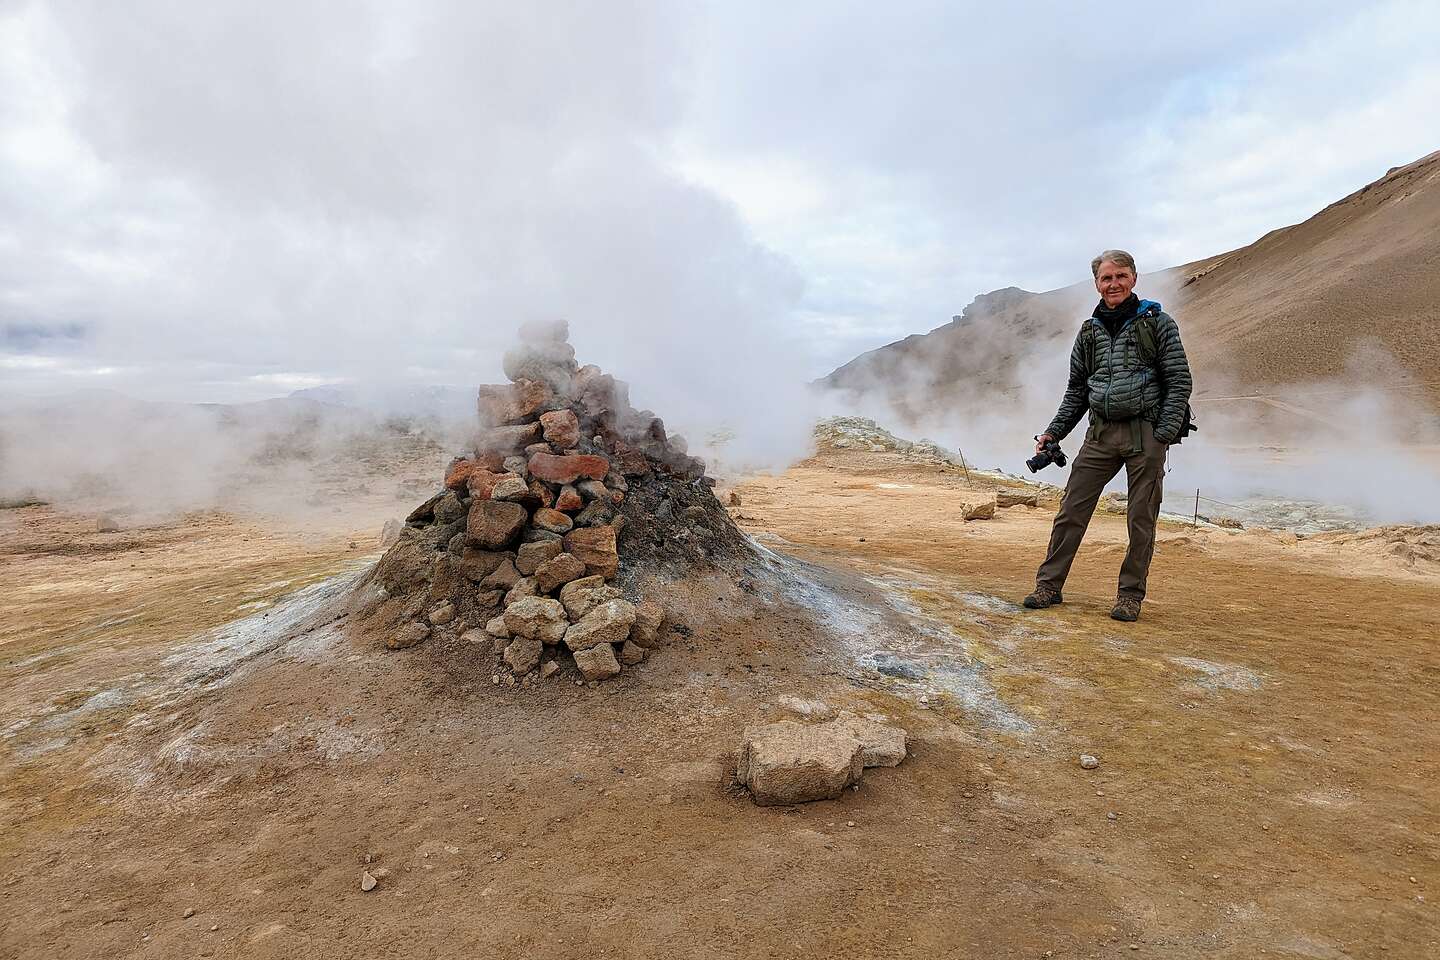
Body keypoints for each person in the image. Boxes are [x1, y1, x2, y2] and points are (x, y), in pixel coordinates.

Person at [1023, 250, 1193, 622]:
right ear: (1096, 284)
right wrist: (1054, 432)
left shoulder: (1158, 323)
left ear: (1133, 278)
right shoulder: (1089, 331)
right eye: (1106, 278)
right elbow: (1077, 390)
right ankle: (1049, 586)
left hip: (1144, 434)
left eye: (1120, 276)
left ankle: (1130, 596)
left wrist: (1161, 435)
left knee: (1140, 518)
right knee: (1071, 511)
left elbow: (1180, 381)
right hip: (1099, 433)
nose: (1113, 284)